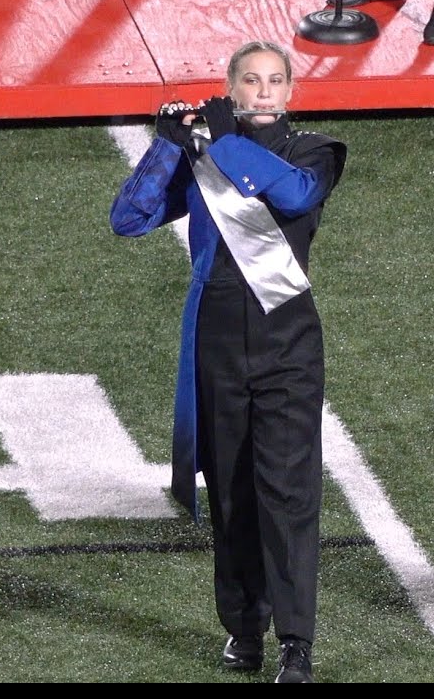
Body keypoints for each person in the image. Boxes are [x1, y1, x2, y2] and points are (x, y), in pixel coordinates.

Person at [109, 40, 346, 683]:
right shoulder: (202, 154)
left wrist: (220, 142)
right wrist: (166, 144)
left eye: (275, 80)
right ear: (232, 88)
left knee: (289, 498)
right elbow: (128, 219)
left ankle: (296, 643)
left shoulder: (316, 152)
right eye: (251, 80)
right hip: (215, 345)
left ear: (290, 91)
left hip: (288, 346)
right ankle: (245, 629)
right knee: (234, 497)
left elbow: (294, 197)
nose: (264, 91)